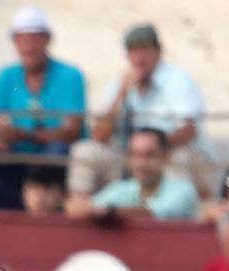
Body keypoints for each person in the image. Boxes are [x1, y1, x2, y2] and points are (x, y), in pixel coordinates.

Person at [68, 23, 211, 204]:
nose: (139, 58)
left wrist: (155, 150)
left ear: (158, 52)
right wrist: (120, 94)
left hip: (169, 151)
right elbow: (99, 135)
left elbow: (189, 129)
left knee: (177, 160)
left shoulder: (178, 80)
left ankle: (173, 220)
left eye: (144, 50)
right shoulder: (120, 85)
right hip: (132, 155)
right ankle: (82, 214)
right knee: (85, 152)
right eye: (133, 51)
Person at [0, 6, 85, 159]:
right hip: (16, 151)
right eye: (23, 40)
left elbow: (71, 132)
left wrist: (24, 134)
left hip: (54, 154)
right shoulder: (5, 76)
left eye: (35, 40)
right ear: (15, 43)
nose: (29, 47)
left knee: (57, 149)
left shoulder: (70, 75)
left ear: (47, 40)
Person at [69, 126, 198, 221]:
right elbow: (87, 206)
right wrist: (78, 207)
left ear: (165, 156)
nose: (141, 163)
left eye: (150, 155)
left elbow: (155, 212)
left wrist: (108, 211)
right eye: (136, 155)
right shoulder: (122, 188)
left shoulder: (182, 189)